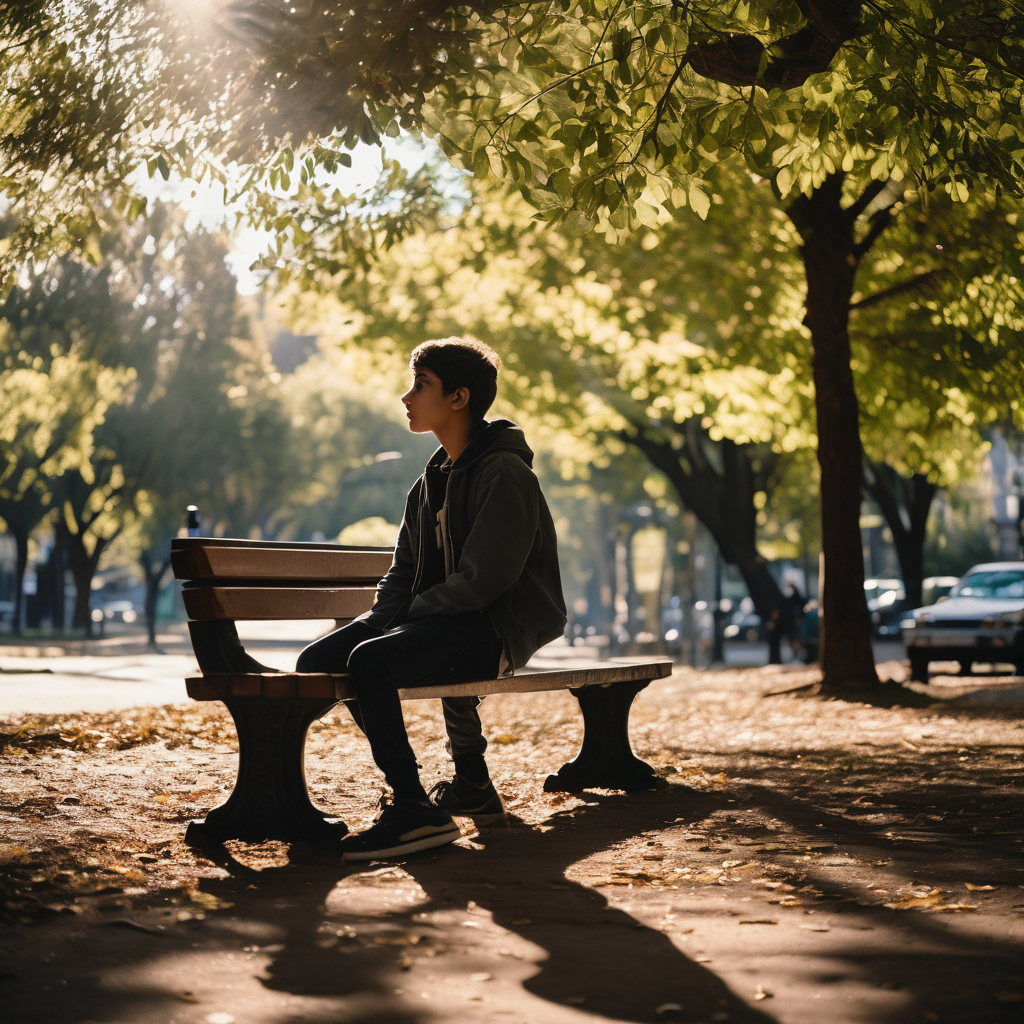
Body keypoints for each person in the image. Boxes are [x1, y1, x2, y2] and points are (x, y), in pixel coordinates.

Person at [297, 337, 566, 861]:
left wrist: (403, 623)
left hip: (496, 627)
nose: (407, 396)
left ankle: (414, 808)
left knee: (371, 660)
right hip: (446, 622)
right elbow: (401, 576)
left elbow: (485, 581)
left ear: (459, 398)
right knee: (319, 658)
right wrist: (381, 618)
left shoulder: (505, 472)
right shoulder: (428, 483)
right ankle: (403, 800)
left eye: (421, 385)